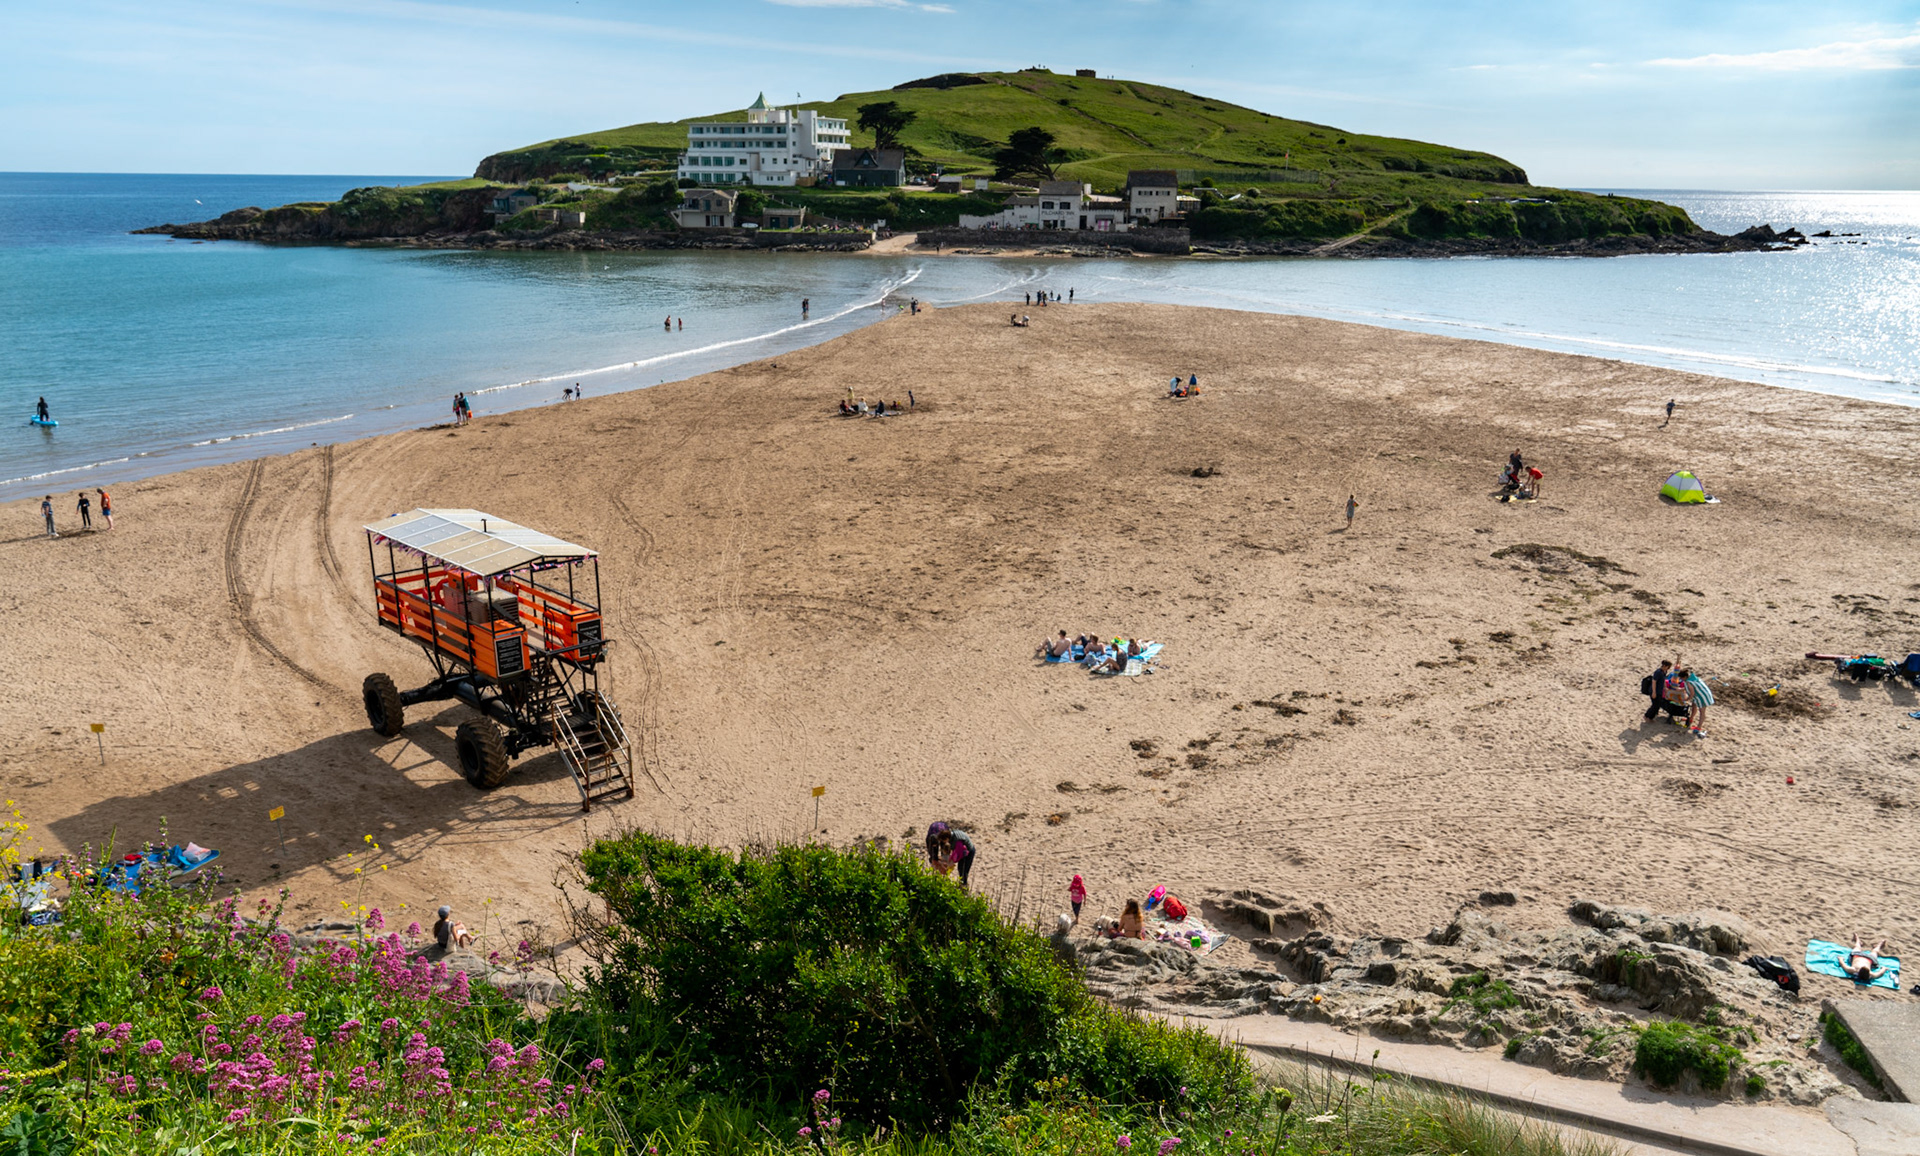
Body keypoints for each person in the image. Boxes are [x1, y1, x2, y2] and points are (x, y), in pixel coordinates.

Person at [1681, 667, 1714, 736]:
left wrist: (1686, 699)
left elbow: (1692, 694)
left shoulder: (1689, 682)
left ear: (1684, 677)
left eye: (1681, 678)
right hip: (1698, 695)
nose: (1681, 680)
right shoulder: (1692, 678)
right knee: (1694, 706)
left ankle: (1699, 727)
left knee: (1702, 712)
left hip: (1702, 697)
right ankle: (1691, 718)